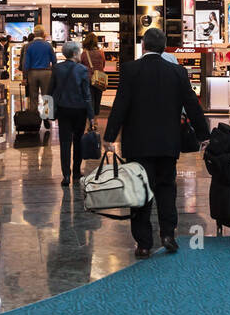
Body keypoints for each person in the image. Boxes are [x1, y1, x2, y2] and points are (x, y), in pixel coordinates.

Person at [104, 27, 210, 258]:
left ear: (144, 46)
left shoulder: (130, 70)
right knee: (166, 188)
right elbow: (192, 105)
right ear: (164, 49)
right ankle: (168, 234)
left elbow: (120, 105)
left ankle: (143, 243)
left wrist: (109, 136)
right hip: (167, 143)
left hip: (138, 143)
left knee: (140, 191)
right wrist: (204, 135)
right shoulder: (177, 72)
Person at [50, 40, 94, 187]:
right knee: (78, 141)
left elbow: (50, 91)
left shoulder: (57, 68)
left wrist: (47, 112)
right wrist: (91, 116)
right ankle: (76, 172)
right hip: (79, 110)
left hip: (63, 109)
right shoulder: (82, 70)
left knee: (65, 142)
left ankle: (66, 175)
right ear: (75, 53)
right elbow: (87, 95)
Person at [21, 25, 56, 129]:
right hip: (46, 72)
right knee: (47, 96)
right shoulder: (48, 45)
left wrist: (24, 77)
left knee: (33, 96)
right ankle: (46, 117)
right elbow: (54, 60)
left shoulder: (29, 46)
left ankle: (34, 119)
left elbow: (25, 63)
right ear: (43, 34)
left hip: (32, 73)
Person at [79, 32, 108, 117]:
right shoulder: (101, 53)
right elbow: (103, 65)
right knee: (97, 101)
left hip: (88, 80)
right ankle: (96, 120)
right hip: (100, 79)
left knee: (89, 100)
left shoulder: (84, 54)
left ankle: (91, 122)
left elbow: (81, 67)